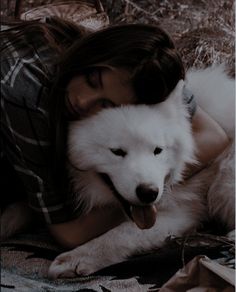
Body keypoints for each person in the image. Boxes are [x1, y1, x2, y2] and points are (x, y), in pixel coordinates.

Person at [1, 17, 229, 248]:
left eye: (108, 105)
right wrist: (135, 203)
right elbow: (70, 234)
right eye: (92, 80)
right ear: (92, 51)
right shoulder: (25, 93)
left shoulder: (132, 70)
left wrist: (152, 186)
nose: (82, 100)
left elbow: (214, 136)